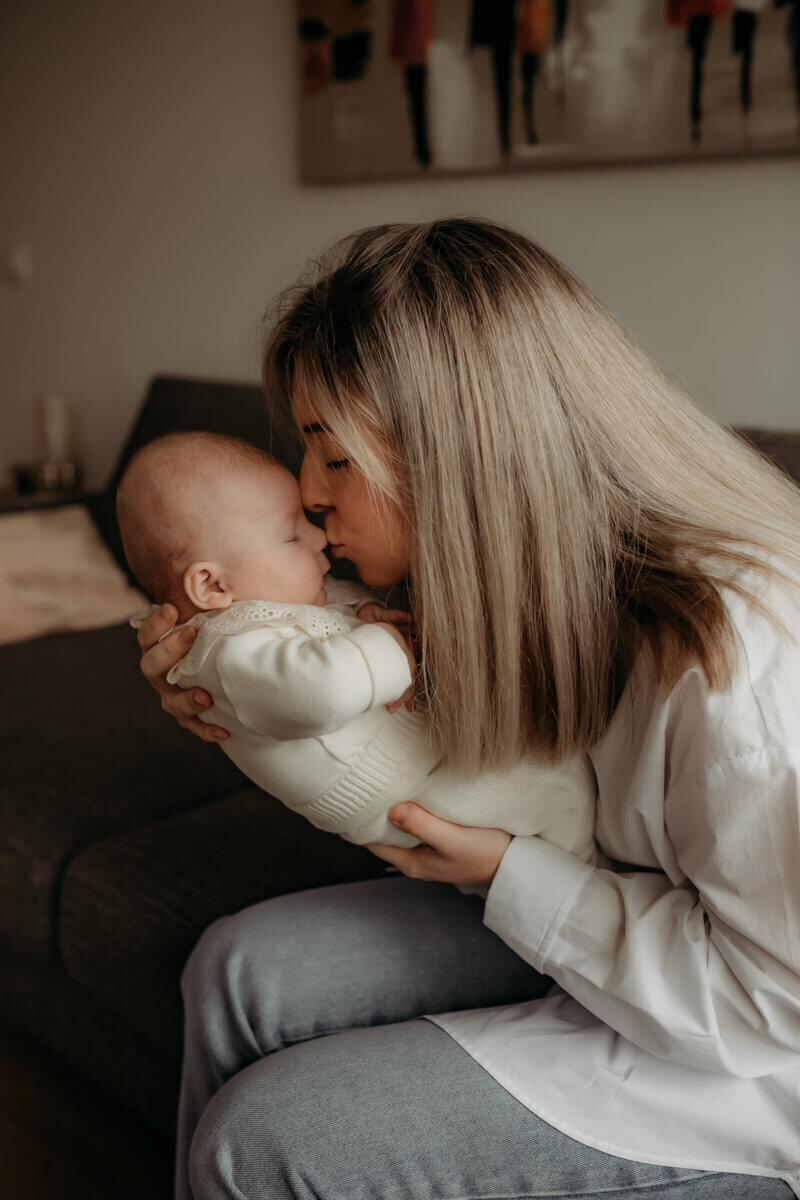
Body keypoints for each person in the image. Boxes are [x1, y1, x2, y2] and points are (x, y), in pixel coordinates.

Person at [136, 218, 800, 1200]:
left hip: (742, 1057)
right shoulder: (505, 574)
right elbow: (300, 645)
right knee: (236, 971)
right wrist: (202, 659)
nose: (310, 499)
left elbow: (766, 1002)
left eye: (333, 456)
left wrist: (503, 873)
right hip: (622, 913)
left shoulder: (736, 649)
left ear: (458, 449)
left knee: (261, 1142)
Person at [117, 431, 596, 851]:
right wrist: (387, 642)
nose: (319, 536)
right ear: (213, 586)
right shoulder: (227, 648)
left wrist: (362, 619)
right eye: (291, 537)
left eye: (336, 459)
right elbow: (316, 690)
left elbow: (322, 627)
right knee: (554, 791)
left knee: (550, 784)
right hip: (397, 790)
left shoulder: (266, 607)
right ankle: (580, 868)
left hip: (416, 764)